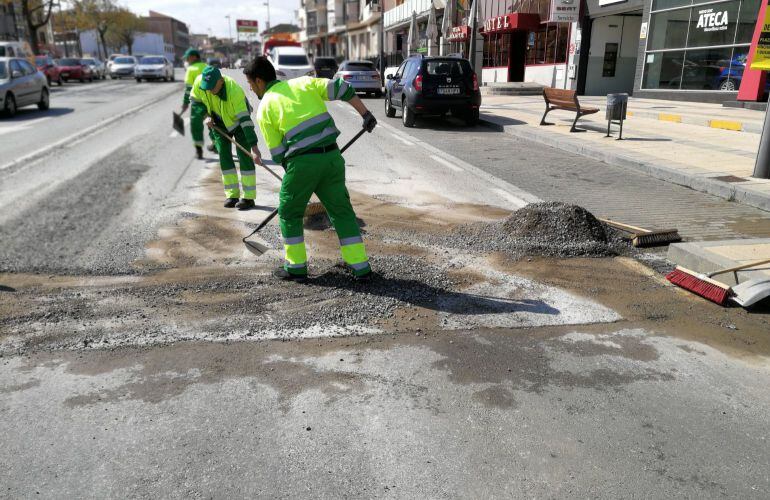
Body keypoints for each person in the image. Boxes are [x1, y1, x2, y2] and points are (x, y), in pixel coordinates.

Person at [242, 56, 376, 282]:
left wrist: (299, 182)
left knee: (289, 212)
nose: (251, 89)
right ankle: (360, 267)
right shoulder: (303, 83)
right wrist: (366, 114)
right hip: (332, 157)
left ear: (259, 81)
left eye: (251, 84)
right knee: (341, 211)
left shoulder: (265, 107)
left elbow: (278, 154)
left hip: (301, 164)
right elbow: (342, 88)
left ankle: (296, 268)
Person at [190, 66, 259, 210]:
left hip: (239, 123)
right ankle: (232, 195)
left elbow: (246, 122)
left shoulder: (234, 91)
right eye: (206, 87)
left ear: (221, 81)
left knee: (244, 156)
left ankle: (249, 198)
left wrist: (254, 147)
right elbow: (196, 102)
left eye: (212, 87)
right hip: (218, 124)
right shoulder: (200, 84)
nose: (209, 90)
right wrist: (206, 116)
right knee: (224, 155)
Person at [178, 48, 208, 159]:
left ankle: (199, 151)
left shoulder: (191, 69)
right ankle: (216, 145)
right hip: (209, 101)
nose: (187, 60)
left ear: (195, 57)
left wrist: (185, 103)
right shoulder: (206, 66)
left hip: (197, 103)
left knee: (196, 126)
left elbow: (188, 89)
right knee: (213, 125)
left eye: (188, 57)